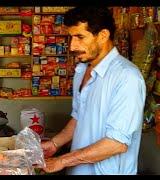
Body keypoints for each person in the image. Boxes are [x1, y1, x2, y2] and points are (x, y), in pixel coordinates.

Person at [41, 7, 146, 175]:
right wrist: (55, 143)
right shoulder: (81, 71)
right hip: (77, 170)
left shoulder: (127, 77)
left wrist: (62, 160)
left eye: (80, 37)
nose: (72, 46)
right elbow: (79, 117)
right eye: (71, 37)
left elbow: (116, 143)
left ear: (103, 36)